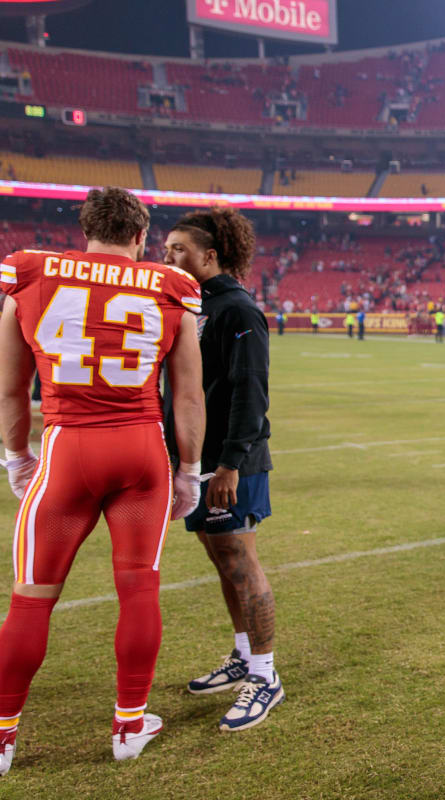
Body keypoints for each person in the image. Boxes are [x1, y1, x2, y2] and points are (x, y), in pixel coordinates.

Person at [0, 186, 205, 772]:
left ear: (85, 229)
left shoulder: (29, 272)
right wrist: (188, 471)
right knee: (139, 589)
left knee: (31, 600)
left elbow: (12, 387)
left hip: (67, 448)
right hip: (142, 451)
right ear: (141, 236)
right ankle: (129, 725)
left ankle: (2, 737)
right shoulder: (172, 287)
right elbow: (186, 395)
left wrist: (17, 455)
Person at [162, 207, 283, 732]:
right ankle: (241, 656)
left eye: (178, 251)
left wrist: (231, 463)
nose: (167, 258)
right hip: (200, 460)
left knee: (240, 560)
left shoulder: (237, 310)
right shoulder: (192, 307)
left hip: (234, 462)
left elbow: (250, 393)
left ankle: (265, 675)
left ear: (209, 256)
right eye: (165, 250)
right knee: (219, 558)